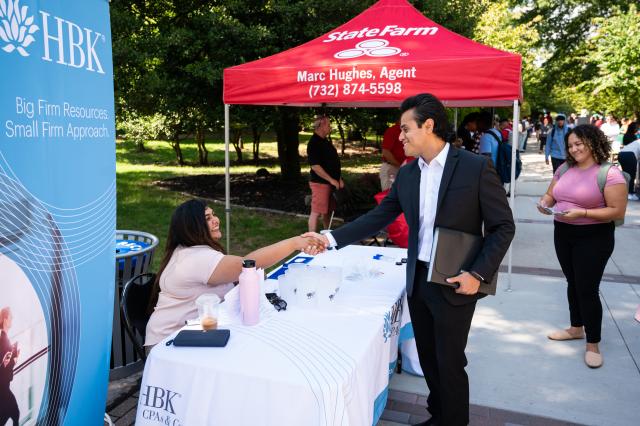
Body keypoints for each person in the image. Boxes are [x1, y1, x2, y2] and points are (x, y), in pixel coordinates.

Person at [308, 93, 515, 426]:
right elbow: (378, 217)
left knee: (449, 362)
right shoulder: (408, 174)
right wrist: (329, 238)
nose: (399, 136)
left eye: (405, 129)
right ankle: (438, 417)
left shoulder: (475, 167)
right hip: (417, 279)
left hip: (456, 279)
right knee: (430, 360)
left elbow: (503, 227)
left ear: (429, 125)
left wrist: (478, 273)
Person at [145, 199, 324, 349]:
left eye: (214, 214)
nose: (216, 220)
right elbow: (246, 266)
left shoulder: (188, 251)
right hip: (170, 343)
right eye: (208, 218)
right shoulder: (196, 258)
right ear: (193, 227)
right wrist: (294, 243)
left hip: (193, 332)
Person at [538, 124, 627, 369]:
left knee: (587, 288)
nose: (574, 149)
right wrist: (544, 203)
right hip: (563, 231)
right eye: (570, 145)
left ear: (593, 142)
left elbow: (617, 210)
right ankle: (576, 328)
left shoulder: (609, 173)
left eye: (579, 143)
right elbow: (551, 194)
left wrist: (583, 212)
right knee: (572, 282)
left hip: (594, 236)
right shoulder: (564, 168)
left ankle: (593, 343)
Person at [307, 116, 343, 232]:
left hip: (330, 183)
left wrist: (338, 178)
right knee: (316, 211)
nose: (330, 127)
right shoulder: (313, 143)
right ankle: (311, 238)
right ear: (321, 126)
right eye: (328, 125)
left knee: (328, 210)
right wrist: (331, 180)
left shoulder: (325, 141)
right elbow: (315, 166)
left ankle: (326, 233)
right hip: (320, 183)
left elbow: (331, 162)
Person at [380, 121, 413, 191]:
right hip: (392, 168)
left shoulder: (412, 131)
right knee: (389, 193)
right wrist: (400, 166)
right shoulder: (393, 130)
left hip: (406, 168)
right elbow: (386, 152)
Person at [0, 307, 19, 425]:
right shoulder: (4, 340)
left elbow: (5, 363)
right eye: (11, 317)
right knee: (15, 413)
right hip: (3, 389)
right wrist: (14, 356)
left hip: (3, 388)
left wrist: (13, 355)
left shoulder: (4, 339)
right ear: (5, 320)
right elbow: (5, 365)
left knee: (13, 414)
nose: (12, 319)